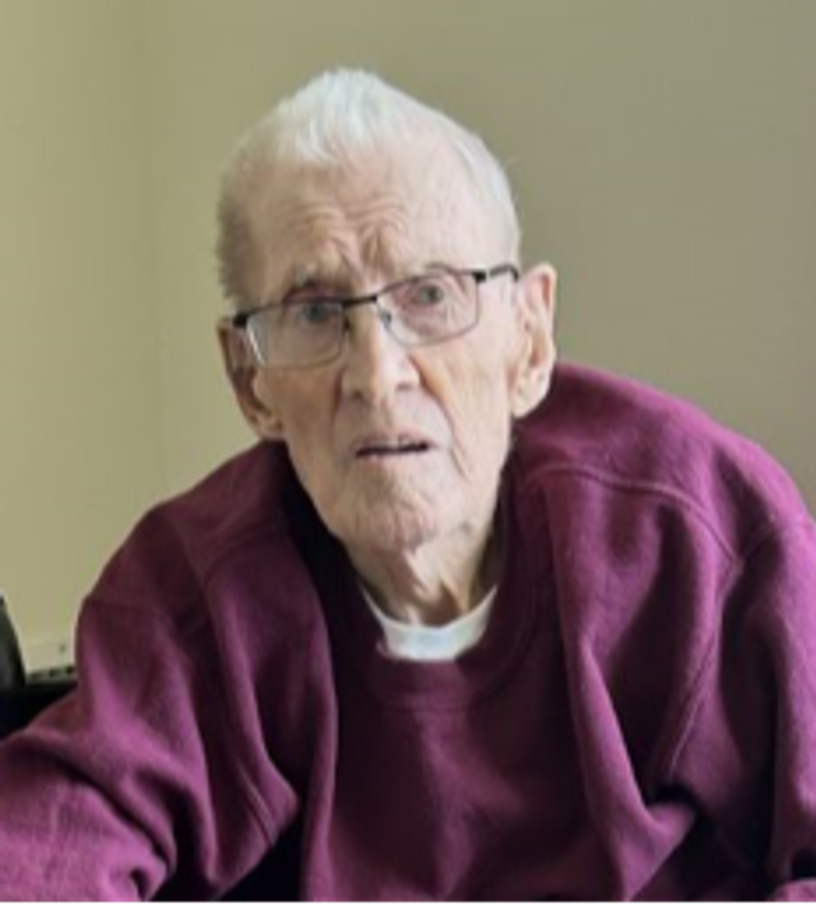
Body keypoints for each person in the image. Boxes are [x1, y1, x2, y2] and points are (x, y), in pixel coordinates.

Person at [0, 69, 814, 904]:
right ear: (251, 380)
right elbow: (46, 848)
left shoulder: (700, 531)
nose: (377, 375)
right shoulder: (193, 593)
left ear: (529, 339)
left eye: (429, 295)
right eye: (315, 313)